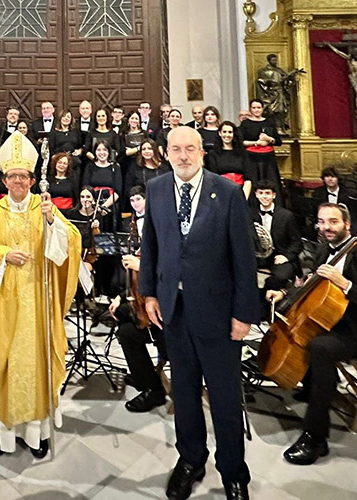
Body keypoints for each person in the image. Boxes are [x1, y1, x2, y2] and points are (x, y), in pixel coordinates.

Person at [138, 127, 259, 500]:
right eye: (176, 149)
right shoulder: (157, 188)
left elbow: (244, 257)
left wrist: (243, 314)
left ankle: (233, 472)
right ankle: (190, 459)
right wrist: (148, 294)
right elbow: (151, 245)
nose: (183, 156)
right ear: (167, 153)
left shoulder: (227, 193)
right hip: (173, 311)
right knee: (185, 394)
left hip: (219, 313)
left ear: (202, 153)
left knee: (223, 397)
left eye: (190, 149)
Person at [0, 131, 82, 458]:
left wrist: (52, 223)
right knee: (0, 363)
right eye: (12, 176)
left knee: (36, 365)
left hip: (37, 300)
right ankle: (0, 431)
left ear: (32, 179)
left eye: (23, 176)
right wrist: (3, 255)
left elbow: (70, 244)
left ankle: (37, 432)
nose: (18, 181)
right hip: (2, 302)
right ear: (4, 180)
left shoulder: (44, 207)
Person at [264, 203, 357, 465]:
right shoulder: (323, 250)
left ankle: (315, 437)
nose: (326, 227)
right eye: (321, 222)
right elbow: (314, 289)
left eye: (333, 222)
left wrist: (345, 284)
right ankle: (316, 384)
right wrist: (286, 294)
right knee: (304, 333)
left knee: (320, 348)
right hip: (334, 322)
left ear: (347, 225)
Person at [109, 186, 168, 413]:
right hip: (148, 306)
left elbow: (173, 274)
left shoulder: (172, 237)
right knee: (123, 322)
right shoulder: (151, 240)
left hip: (171, 315)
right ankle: (146, 378)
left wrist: (141, 266)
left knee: (126, 329)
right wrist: (120, 297)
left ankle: (153, 390)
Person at [251, 180, 301, 293]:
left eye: (268, 193)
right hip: (257, 257)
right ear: (256, 194)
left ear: (274, 195)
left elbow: (297, 243)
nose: (264, 197)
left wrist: (286, 257)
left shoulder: (287, 216)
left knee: (280, 278)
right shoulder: (249, 214)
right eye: (261, 193)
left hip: (279, 256)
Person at [238, 99, 282, 195]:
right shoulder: (245, 124)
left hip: (268, 159)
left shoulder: (269, 122)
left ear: (262, 109)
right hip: (251, 158)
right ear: (250, 109)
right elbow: (240, 142)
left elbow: (278, 141)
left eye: (258, 108)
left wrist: (269, 139)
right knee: (253, 183)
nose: (256, 110)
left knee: (271, 183)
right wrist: (256, 143)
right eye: (254, 108)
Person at [208, 121, 255, 200]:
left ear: (234, 134)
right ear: (220, 133)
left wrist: (243, 199)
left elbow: (248, 178)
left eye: (230, 132)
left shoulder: (243, 153)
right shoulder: (213, 154)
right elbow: (213, 178)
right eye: (224, 132)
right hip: (221, 192)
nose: (227, 135)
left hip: (242, 191)